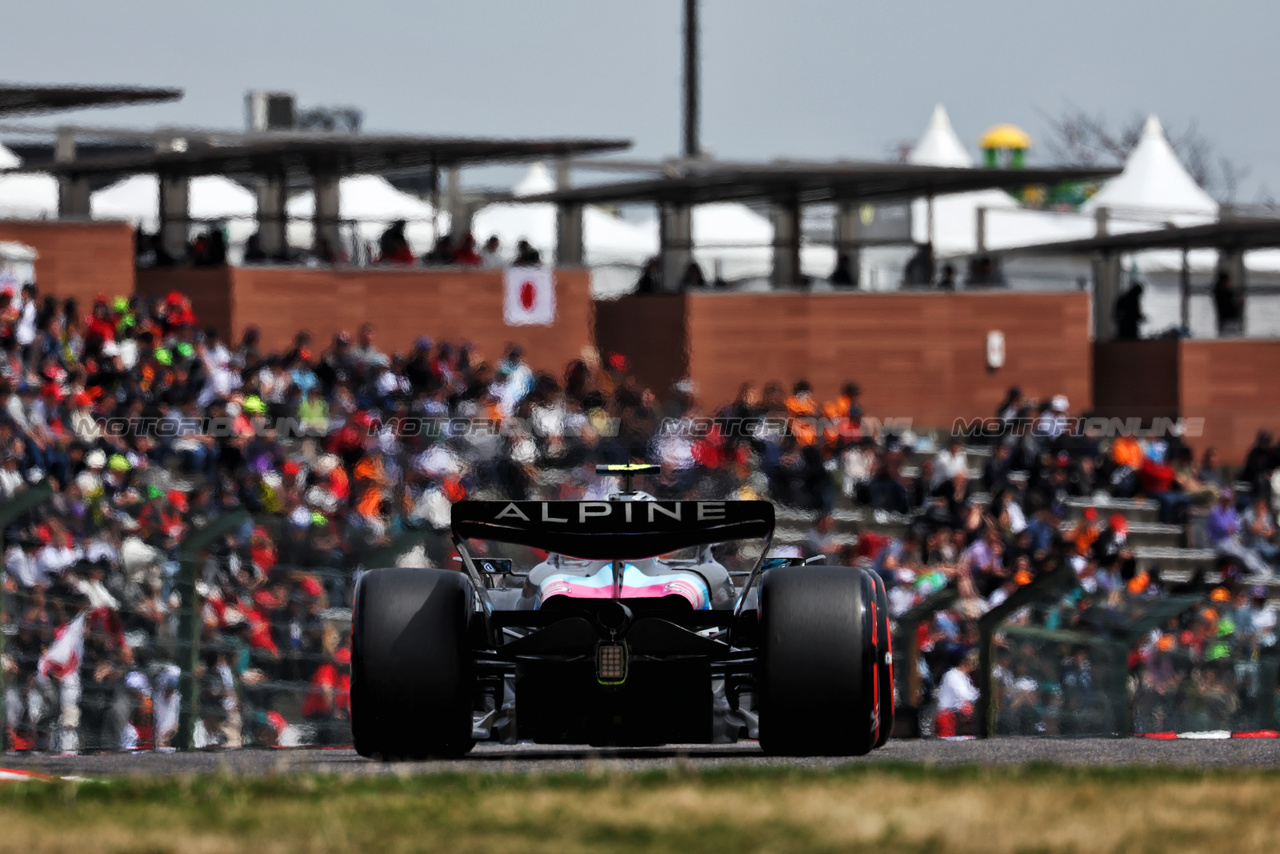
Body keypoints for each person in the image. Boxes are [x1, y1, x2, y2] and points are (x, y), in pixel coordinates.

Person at [1213, 270, 1244, 337]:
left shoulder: (1218, 292)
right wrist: (1239, 304)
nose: (1230, 283)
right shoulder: (1226, 294)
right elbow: (1230, 307)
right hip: (1229, 321)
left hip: (1224, 321)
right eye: (1228, 281)